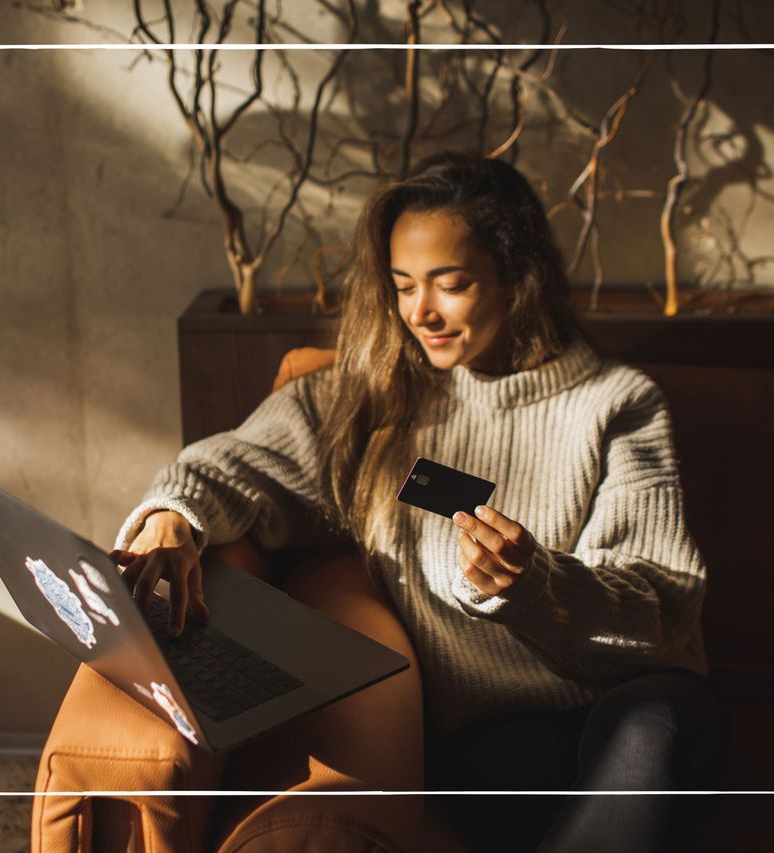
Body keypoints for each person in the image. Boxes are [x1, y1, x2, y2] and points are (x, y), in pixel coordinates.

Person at [110, 151, 725, 852]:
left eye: (451, 284)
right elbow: (240, 459)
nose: (420, 312)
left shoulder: (616, 402)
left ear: (519, 279)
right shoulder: (376, 399)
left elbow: (662, 612)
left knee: (662, 721)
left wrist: (534, 585)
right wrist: (173, 516)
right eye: (403, 286)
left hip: (633, 707)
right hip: (492, 740)